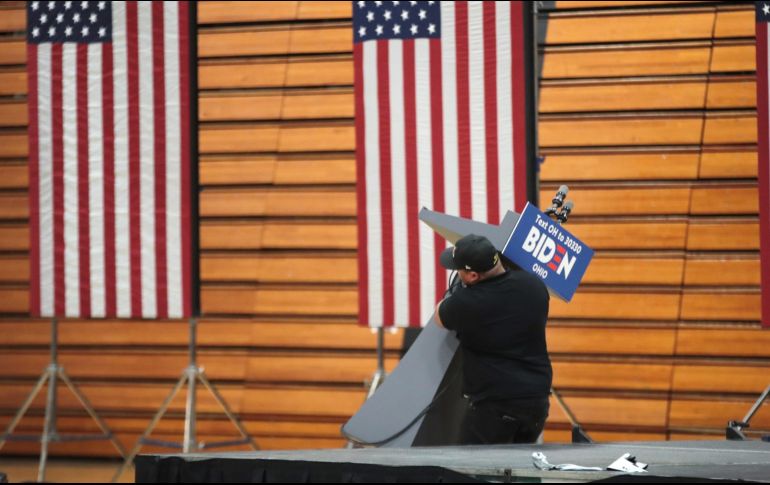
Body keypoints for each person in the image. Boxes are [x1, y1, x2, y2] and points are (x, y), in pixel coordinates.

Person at [435, 234, 552, 445]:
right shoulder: (534, 285)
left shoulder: (467, 302)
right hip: (537, 402)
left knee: (471, 471)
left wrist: (460, 291)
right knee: (520, 469)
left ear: (472, 276)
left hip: (495, 406)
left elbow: (439, 316)